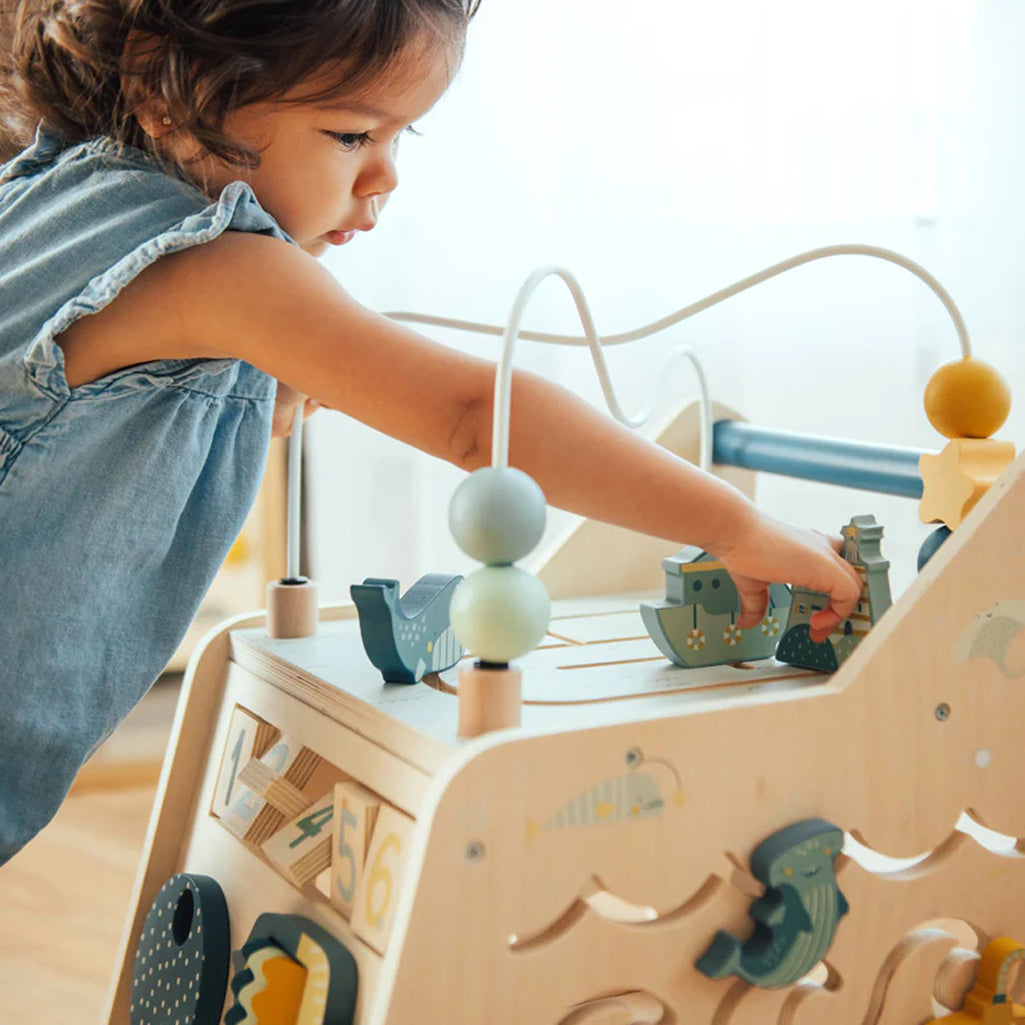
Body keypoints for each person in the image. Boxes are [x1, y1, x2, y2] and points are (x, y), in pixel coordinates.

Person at [0, 0, 862, 866]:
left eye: (399, 137)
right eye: (349, 135)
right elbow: (471, 418)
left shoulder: (48, 194)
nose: (385, 177)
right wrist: (736, 527)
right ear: (167, 93)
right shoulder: (224, 269)